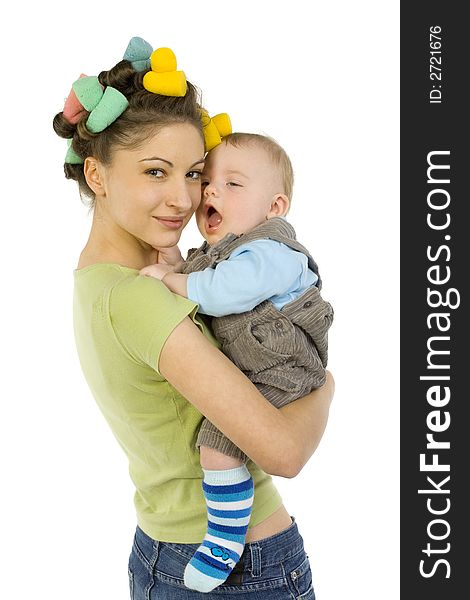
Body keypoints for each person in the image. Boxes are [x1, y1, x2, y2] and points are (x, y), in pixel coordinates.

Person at [54, 37, 334, 599]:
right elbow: (285, 452)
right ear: (97, 174)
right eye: (156, 172)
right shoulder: (142, 296)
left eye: (193, 174)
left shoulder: (98, 280)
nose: (184, 199)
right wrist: (326, 385)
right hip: (241, 571)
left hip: (163, 550)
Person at [141, 132, 334, 591]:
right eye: (207, 182)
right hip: (259, 366)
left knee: (218, 446)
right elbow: (208, 274)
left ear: (275, 207)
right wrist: (174, 263)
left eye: (233, 184)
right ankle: (225, 532)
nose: (211, 191)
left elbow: (224, 291)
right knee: (217, 444)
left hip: (286, 368)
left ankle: (225, 539)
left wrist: (171, 280)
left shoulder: (272, 252)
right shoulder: (227, 253)